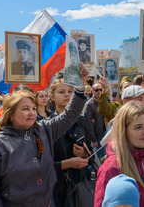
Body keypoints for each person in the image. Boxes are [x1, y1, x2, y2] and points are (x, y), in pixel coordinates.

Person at [0, 64, 89, 206]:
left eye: (33, 108)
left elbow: (70, 115)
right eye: (25, 109)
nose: (31, 113)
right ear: (11, 115)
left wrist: (80, 88)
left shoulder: (44, 129)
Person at [48, 78, 92, 206]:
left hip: (81, 182)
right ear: (52, 97)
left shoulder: (82, 121)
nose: (67, 94)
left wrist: (85, 153)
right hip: (59, 187)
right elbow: (44, 164)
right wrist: (67, 164)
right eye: (61, 92)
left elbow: (91, 152)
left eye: (70, 91)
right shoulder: (47, 125)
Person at [83, 82, 106, 156]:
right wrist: (94, 140)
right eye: (96, 90)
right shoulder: (89, 104)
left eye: (100, 89)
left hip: (105, 134)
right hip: (97, 137)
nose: (99, 91)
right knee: (103, 159)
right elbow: (88, 123)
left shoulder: (103, 102)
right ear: (92, 91)